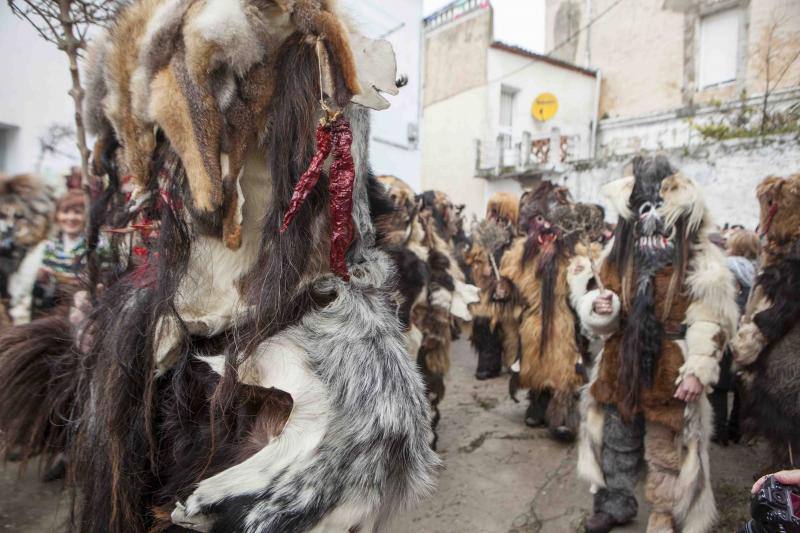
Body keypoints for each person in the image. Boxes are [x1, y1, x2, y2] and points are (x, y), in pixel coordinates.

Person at [573, 156, 739, 533]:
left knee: (666, 451)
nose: (649, 217)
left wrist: (698, 367)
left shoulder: (697, 257)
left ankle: (664, 513)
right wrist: (602, 306)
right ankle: (614, 503)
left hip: (670, 371)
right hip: (620, 366)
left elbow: (711, 318)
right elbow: (602, 308)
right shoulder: (619, 256)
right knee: (616, 442)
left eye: (656, 207)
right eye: (642, 208)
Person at [710, 230, 759, 445]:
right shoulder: (757, 272)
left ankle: (718, 432)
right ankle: (736, 430)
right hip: (747, 333)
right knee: (739, 386)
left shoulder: (727, 268)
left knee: (719, 386)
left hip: (727, 328)